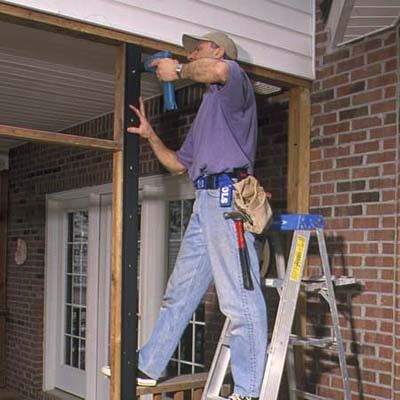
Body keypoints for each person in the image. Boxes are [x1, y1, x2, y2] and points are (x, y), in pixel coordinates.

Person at [128, 31, 267, 400]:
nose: (190, 54)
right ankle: (149, 366)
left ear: (218, 50)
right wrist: (150, 135)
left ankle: (248, 391)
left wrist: (179, 70)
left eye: (197, 49)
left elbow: (217, 70)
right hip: (203, 202)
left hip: (227, 198)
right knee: (179, 293)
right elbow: (177, 164)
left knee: (238, 298)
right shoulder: (208, 109)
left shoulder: (234, 83)